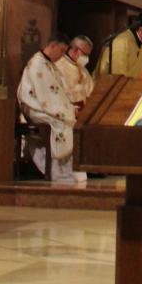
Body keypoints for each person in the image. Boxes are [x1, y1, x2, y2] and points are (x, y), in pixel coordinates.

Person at [17, 34, 87, 184]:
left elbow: (58, 93)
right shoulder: (38, 65)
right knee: (64, 125)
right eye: (61, 51)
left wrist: (70, 108)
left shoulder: (49, 64)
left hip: (47, 108)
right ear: (53, 46)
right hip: (36, 109)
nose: (62, 55)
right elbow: (47, 97)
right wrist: (69, 111)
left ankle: (68, 171)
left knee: (71, 123)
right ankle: (58, 172)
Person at [97, 11, 142, 76]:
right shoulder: (121, 41)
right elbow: (118, 74)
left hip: (132, 82)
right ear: (141, 29)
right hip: (108, 81)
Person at [56, 34, 93, 112]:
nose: (87, 58)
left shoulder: (83, 70)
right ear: (76, 50)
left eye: (88, 55)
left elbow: (91, 91)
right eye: (85, 54)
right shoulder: (58, 65)